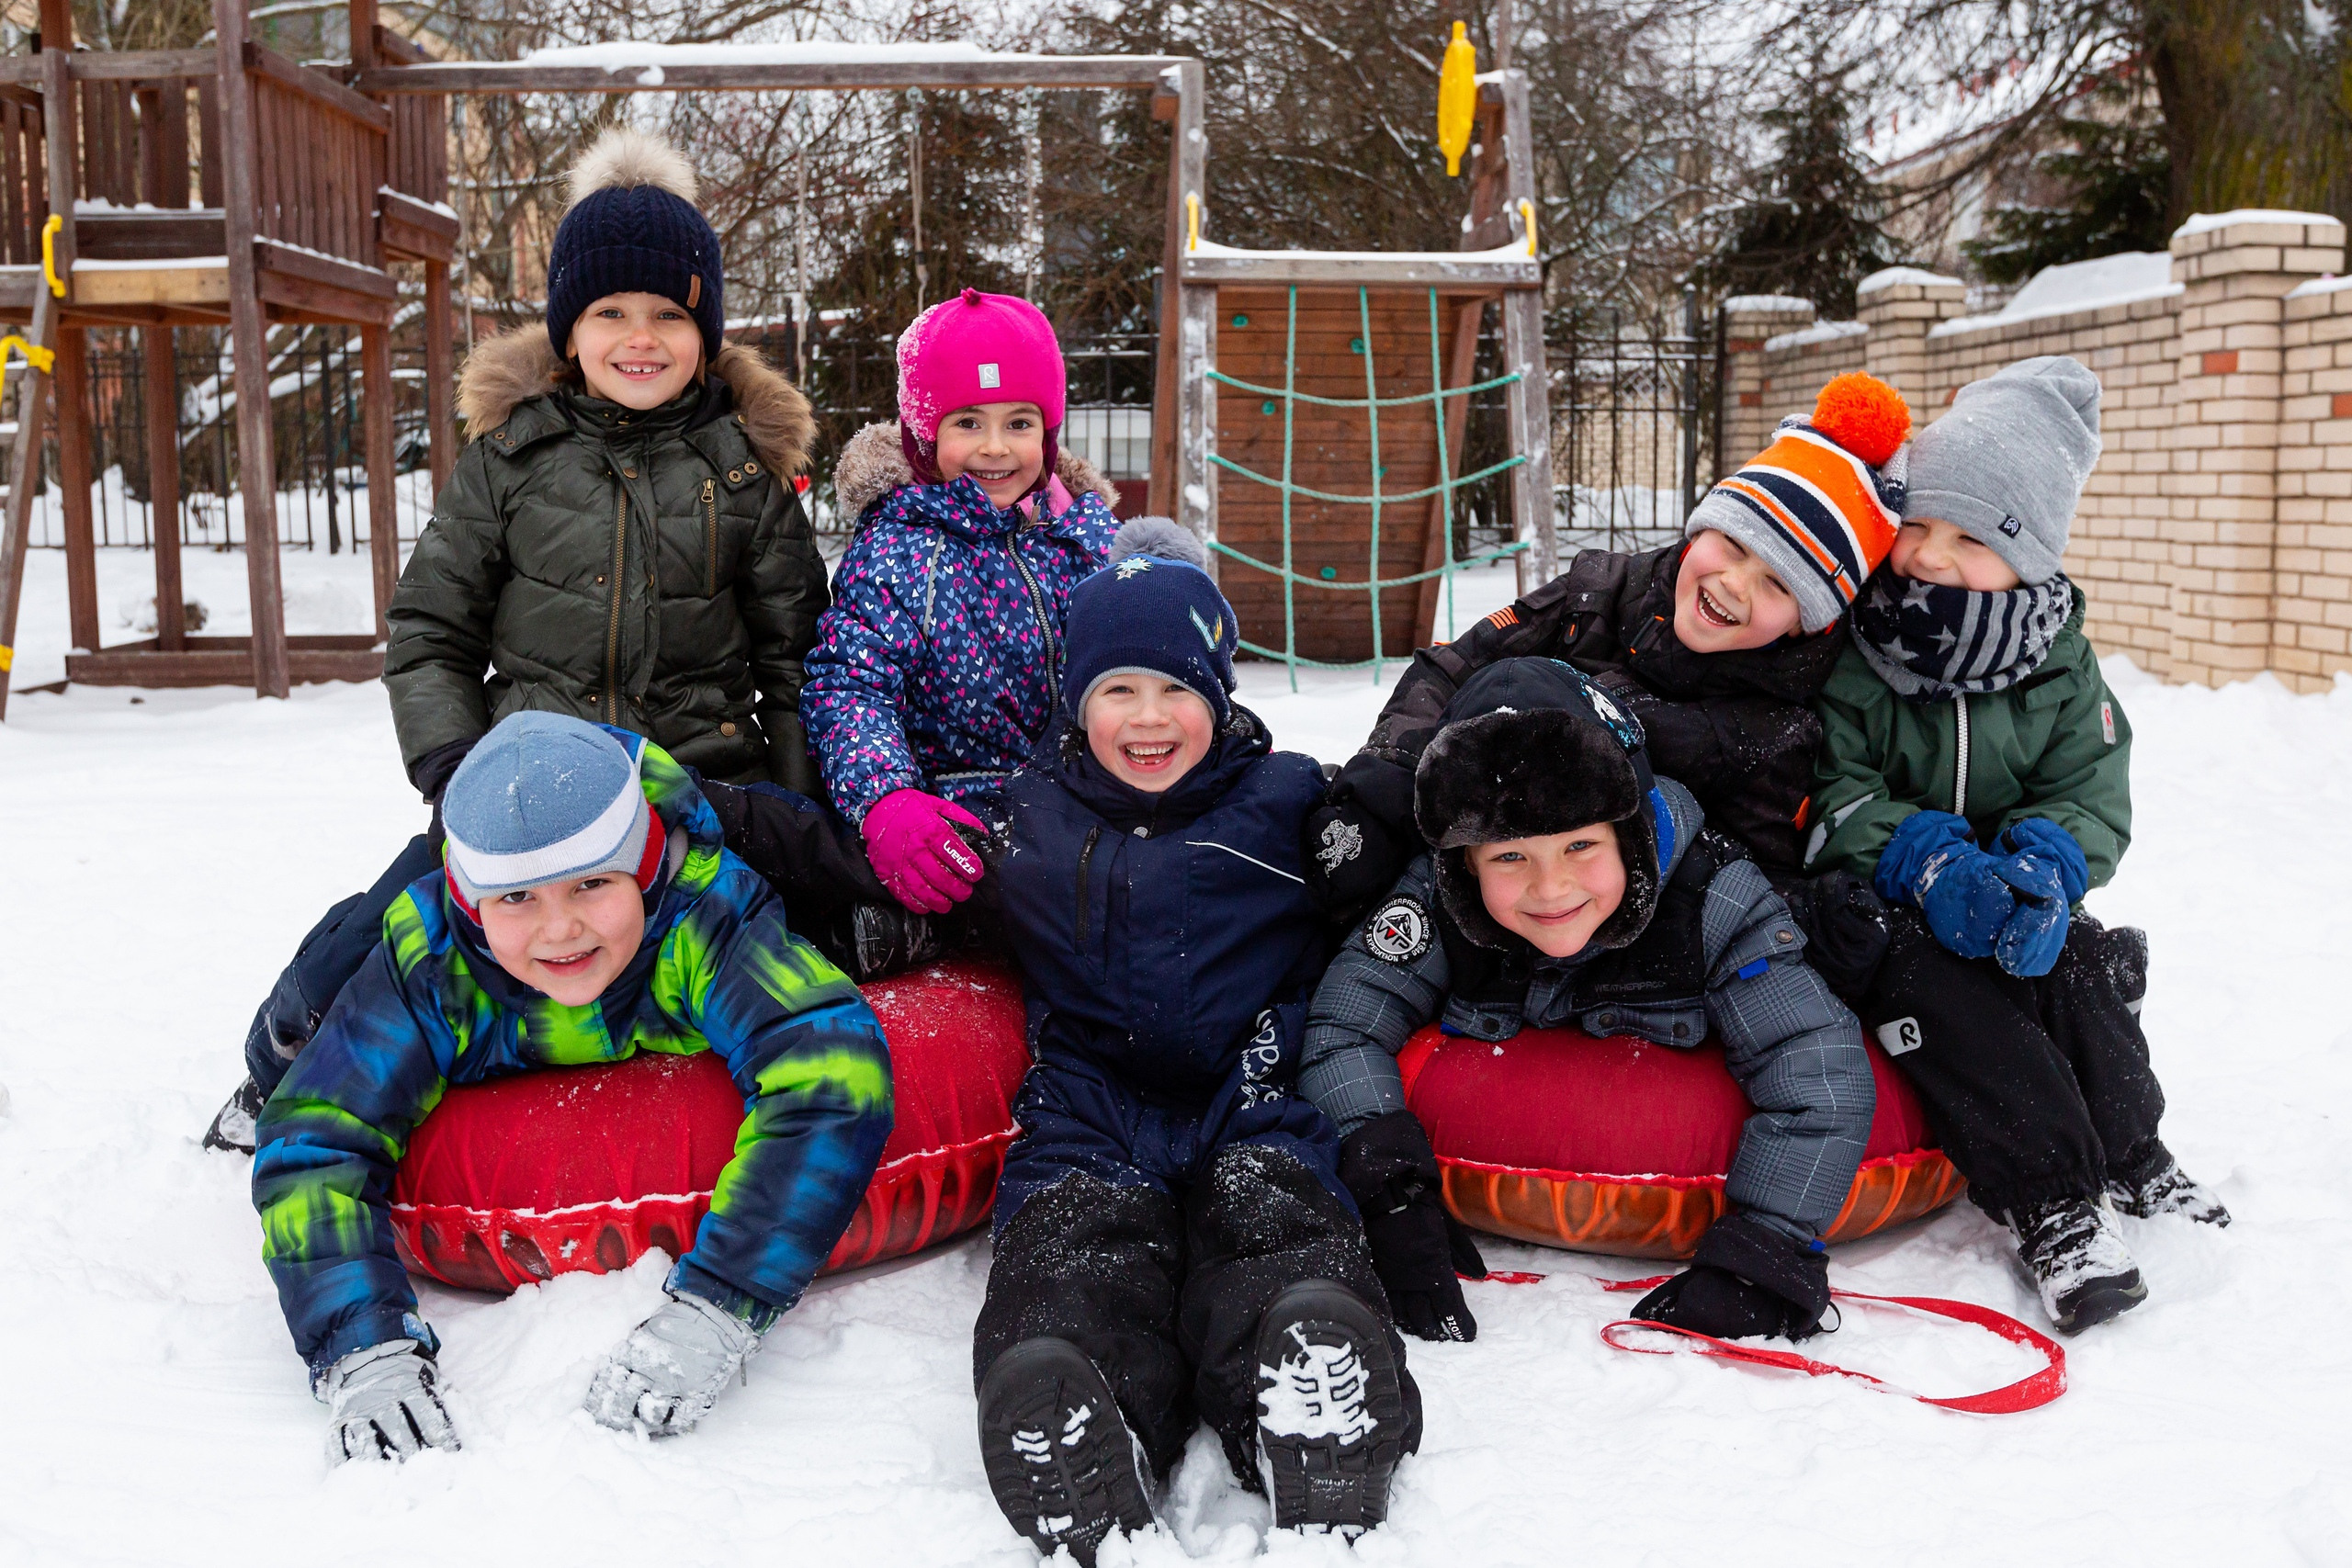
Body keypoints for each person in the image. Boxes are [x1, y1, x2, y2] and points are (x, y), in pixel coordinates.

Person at [205, 127, 837, 1150]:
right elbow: (429, 628)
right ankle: (282, 1059)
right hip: (525, 783)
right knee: (386, 928)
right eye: (610, 313)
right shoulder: (511, 463)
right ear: (568, 327)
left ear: (706, 329)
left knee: (801, 942)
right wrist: (458, 768)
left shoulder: (741, 476)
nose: (641, 338)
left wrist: (796, 815)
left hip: (700, 782)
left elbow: (797, 657)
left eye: (670, 315)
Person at [251, 712, 893, 1462]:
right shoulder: (434, 959)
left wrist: (722, 1302)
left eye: (592, 883)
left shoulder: (702, 917)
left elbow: (832, 1067)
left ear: (645, 864)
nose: (560, 929)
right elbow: (315, 1136)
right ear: (472, 898)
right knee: (316, 998)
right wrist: (364, 1349)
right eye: (517, 899)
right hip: (372, 966)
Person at [969, 524, 1416, 1562]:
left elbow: (1400, 849)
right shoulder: (1025, 814)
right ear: (1076, 705)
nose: (1149, 719)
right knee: (1067, 1247)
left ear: (1219, 695)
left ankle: (1308, 1398)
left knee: (1280, 1223)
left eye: (1176, 690)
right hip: (1088, 1099)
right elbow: (911, 877)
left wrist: (1381, 816)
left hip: (1249, 1083)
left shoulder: (1291, 798)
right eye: (1116, 690)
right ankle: (1080, 1412)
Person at [1806, 355, 2228, 1336]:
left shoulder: (2058, 661)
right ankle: (2055, 1207)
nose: (1927, 556)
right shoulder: (1862, 648)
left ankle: (2132, 1151)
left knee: (2080, 961)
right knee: (1953, 1000)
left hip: (2007, 884)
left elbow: (2088, 782)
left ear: (2032, 553)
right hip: (1883, 903)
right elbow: (1830, 781)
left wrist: (2045, 865)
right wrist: (1920, 856)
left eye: (1968, 536)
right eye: (1915, 525)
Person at [1303, 657, 1877, 1348]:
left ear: (1628, 834)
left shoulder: (1714, 902)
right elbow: (1344, 1023)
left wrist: (1765, 1253)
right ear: (1464, 864)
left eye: (1580, 845)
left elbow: (1819, 1069)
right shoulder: (1435, 901)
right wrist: (1390, 1191)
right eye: (1510, 858)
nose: (1552, 888)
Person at [1309, 373, 1913, 924]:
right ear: (1701, 528)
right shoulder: (1596, 591)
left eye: (1777, 584)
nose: (1735, 583)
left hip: (1604, 916)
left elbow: (1752, 870)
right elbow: (1455, 667)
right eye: (1732, 546)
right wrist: (1388, 776)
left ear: (1804, 626)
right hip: (1488, 853)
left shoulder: (1778, 728)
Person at [799, 288, 1122, 921]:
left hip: (1097, 804)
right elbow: (849, 687)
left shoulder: (1086, 538)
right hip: (966, 819)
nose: (996, 448)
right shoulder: (902, 547)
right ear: (925, 434)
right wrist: (887, 798)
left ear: (1048, 433)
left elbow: (1149, 652)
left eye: (1019, 423)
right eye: (968, 422)